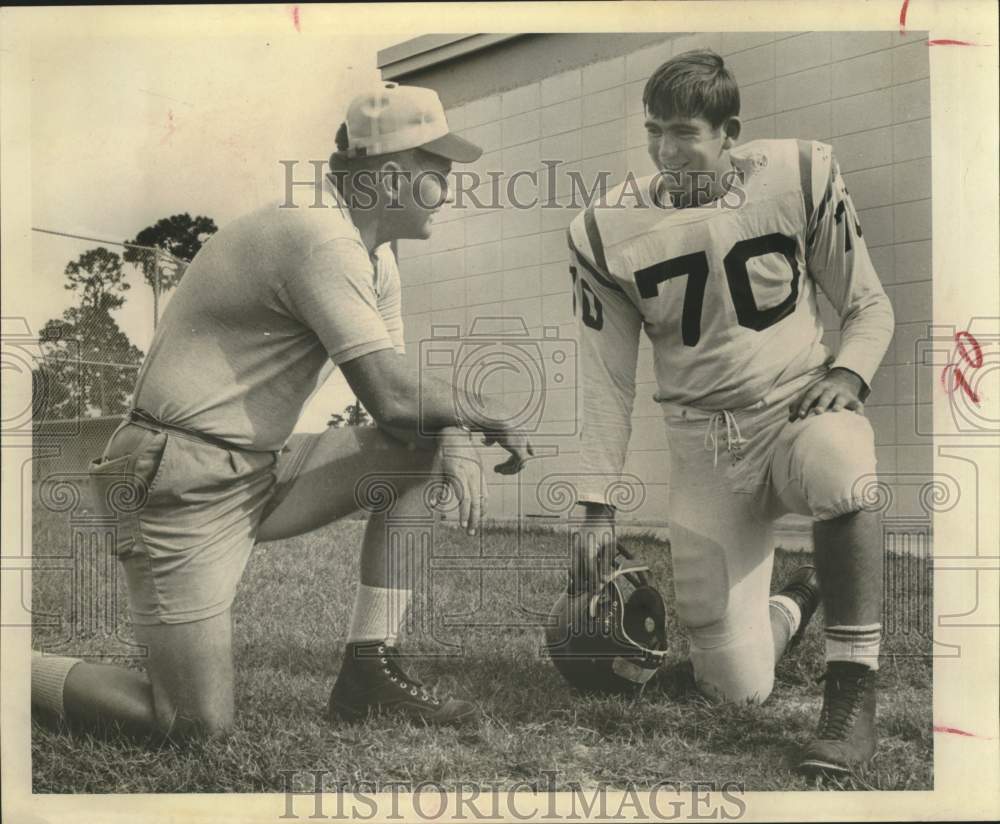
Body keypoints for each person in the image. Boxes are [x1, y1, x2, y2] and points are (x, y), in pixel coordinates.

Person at [31, 82, 533, 740]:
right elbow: (393, 394)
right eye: (435, 168)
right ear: (387, 175)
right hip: (174, 479)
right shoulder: (318, 235)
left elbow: (405, 409)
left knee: (419, 447)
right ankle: (19, 668)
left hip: (256, 471)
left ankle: (367, 670)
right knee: (191, 725)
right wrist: (481, 408)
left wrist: (456, 436)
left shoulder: (374, 259)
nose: (448, 184)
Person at [567, 50, 894, 774]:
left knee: (844, 464)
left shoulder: (797, 174)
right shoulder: (603, 229)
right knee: (735, 690)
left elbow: (868, 306)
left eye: (683, 132)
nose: (664, 150)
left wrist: (848, 371)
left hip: (794, 411)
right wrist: (596, 505)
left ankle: (851, 694)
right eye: (653, 130)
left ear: (728, 133)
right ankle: (793, 606)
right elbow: (606, 378)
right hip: (704, 448)